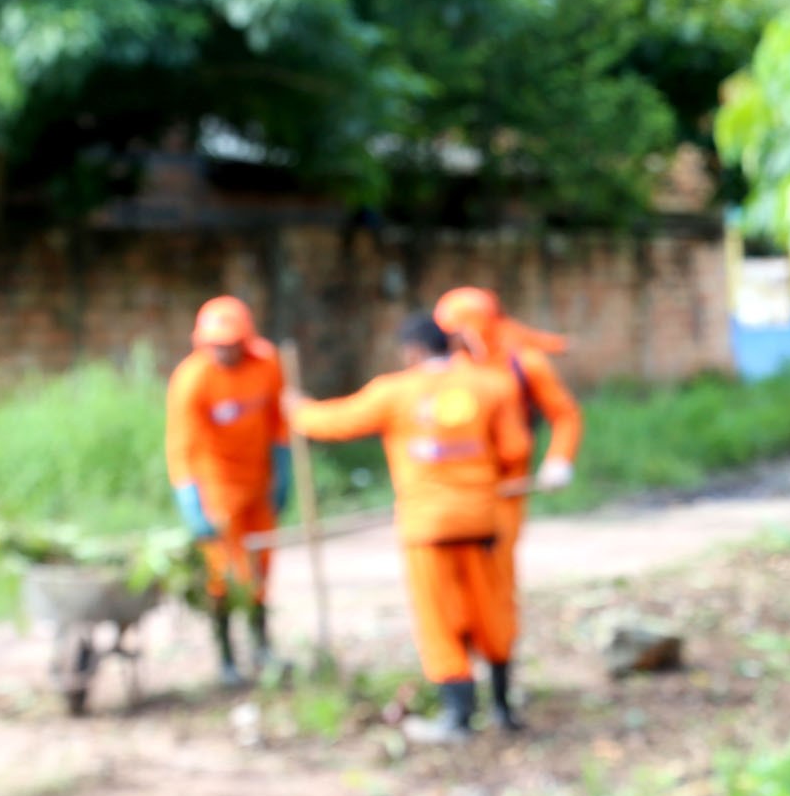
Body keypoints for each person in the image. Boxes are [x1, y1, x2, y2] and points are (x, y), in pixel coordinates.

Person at [285, 312, 527, 742]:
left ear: (413, 351)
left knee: (440, 620)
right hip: (483, 520)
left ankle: (457, 718)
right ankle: (504, 710)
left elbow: (334, 422)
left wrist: (296, 409)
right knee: (492, 611)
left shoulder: (395, 392)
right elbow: (515, 450)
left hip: (428, 528)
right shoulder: (492, 386)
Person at [433, 286, 583, 726]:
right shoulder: (447, 372)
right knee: (448, 593)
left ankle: (500, 696)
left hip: (503, 496)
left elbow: (565, 415)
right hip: (451, 499)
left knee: (494, 588)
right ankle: (458, 694)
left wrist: (558, 461)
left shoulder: (524, 363)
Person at [165, 295, 290, 687]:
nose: (224, 351)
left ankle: (262, 648)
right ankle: (226, 658)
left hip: (258, 483)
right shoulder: (192, 379)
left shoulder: (267, 365)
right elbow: (180, 445)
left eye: (230, 343)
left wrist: (282, 470)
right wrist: (189, 499)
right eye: (216, 344)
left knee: (260, 568)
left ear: (246, 340)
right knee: (220, 574)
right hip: (215, 488)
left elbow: (279, 421)